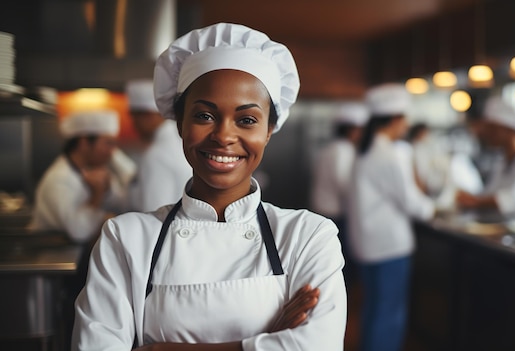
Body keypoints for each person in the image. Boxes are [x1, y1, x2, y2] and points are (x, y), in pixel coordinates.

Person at [72, 22, 347, 351]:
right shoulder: (126, 239)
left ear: (270, 129)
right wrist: (268, 341)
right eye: (204, 115)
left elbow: (319, 346)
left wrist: (164, 349)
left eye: (247, 120)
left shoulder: (308, 235)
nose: (224, 136)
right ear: (180, 123)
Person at [347, 83, 435, 351]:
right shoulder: (388, 155)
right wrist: (433, 208)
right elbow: (411, 202)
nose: (406, 126)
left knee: (375, 309)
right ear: (395, 120)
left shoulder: (366, 150)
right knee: (389, 314)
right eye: (404, 120)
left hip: (369, 244)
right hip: (389, 246)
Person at [30, 109, 131, 244]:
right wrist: (97, 195)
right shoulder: (59, 179)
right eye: (108, 143)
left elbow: (120, 204)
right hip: (51, 253)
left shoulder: (90, 170)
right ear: (84, 143)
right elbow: (78, 231)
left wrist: (106, 189)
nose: (112, 152)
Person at [310, 101, 368, 286]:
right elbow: (345, 186)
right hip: (335, 214)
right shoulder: (343, 151)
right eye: (360, 130)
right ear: (352, 130)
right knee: (338, 264)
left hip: (323, 210)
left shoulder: (330, 148)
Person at [126, 78, 192, 212]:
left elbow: (153, 213)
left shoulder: (157, 155)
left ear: (149, 115)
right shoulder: (179, 140)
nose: (133, 125)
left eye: (135, 118)